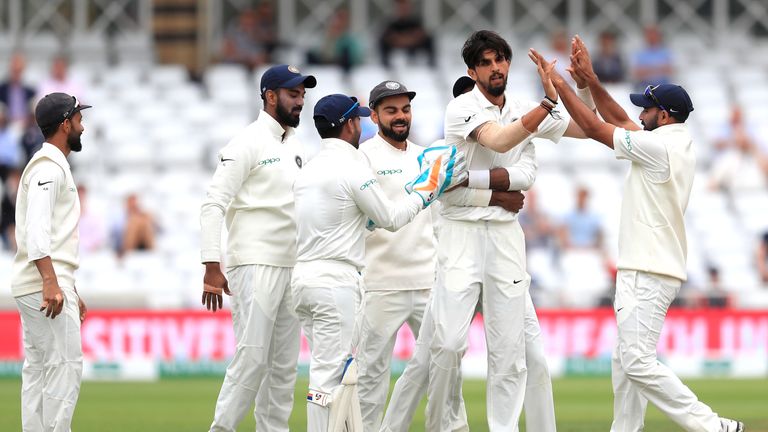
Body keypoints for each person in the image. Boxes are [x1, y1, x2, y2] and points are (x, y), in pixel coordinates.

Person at [530, 34, 744, 432]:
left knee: (637, 362)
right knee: (625, 362)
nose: (640, 114)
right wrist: (591, 81)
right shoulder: (667, 140)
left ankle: (713, 427)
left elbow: (596, 126)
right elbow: (619, 120)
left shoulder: (660, 149)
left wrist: (560, 85)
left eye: (648, 109)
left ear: (664, 115)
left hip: (648, 269)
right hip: (645, 266)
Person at [426, 30, 589, 431]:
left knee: (510, 353)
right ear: (472, 70)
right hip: (461, 233)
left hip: (504, 236)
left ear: (509, 63)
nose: (495, 67)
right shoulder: (462, 107)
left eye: (500, 59)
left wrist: (580, 87)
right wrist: (547, 103)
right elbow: (498, 139)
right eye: (486, 62)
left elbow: (585, 129)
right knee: (447, 345)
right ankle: (446, 425)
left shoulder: (520, 106)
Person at [381, 75, 556, 432]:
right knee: (433, 357)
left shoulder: (513, 141)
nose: (480, 120)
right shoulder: (441, 149)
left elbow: (525, 178)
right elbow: (444, 195)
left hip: (500, 253)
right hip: (452, 261)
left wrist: (479, 182)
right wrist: (497, 195)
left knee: (530, 356)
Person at [292, 93, 465, 432]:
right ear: (351, 124)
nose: (361, 125)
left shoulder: (310, 168)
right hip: (352, 281)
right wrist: (426, 190)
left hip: (309, 278)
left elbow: (354, 219)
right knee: (344, 379)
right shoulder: (357, 163)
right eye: (358, 119)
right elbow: (390, 217)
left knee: (327, 375)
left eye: (406, 108)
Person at [200, 64, 317, 432]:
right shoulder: (246, 142)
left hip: (290, 265)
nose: (300, 101)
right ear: (270, 96)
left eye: (302, 94)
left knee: (283, 367)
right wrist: (211, 265)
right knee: (252, 359)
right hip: (254, 263)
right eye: (292, 94)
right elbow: (214, 203)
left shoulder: (296, 145)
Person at [12, 92, 90, 432]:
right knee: (65, 365)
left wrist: (66, 284)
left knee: (40, 368)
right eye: (78, 119)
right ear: (64, 124)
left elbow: (49, 234)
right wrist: (51, 282)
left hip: (44, 281)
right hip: (43, 283)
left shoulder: (50, 165)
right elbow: (38, 229)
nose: (82, 127)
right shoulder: (48, 167)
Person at [378, 0, 436, 68]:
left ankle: (432, 62)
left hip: (413, 43)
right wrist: (400, 40)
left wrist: (409, 39)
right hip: (398, 43)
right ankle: (385, 62)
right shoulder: (391, 22)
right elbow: (388, 35)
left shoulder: (415, 20)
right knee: (382, 40)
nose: (403, 10)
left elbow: (421, 33)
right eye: (401, 8)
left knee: (429, 38)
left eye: (405, 8)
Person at [306, 8, 364, 73]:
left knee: (346, 53)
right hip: (326, 60)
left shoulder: (350, 38)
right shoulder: (327, 35)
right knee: (309, 54)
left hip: (340, 62)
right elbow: (319, 50)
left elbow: (355, 55)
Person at [0, 52, 36, 127]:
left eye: (19, 70)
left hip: (25, 126)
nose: (16, 73)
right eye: (14, 70)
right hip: (6, 126)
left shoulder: (30, 91)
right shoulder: (2, 90)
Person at [631, 25, 673, 89]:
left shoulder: (667, 52)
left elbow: (670, 70)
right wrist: (659, 69)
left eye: (653, 35)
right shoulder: (639, 53)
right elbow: (636, 73)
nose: (651, 37)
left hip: (663, 85)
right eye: (649, 35)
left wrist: (647, 70)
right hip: (644, 85)